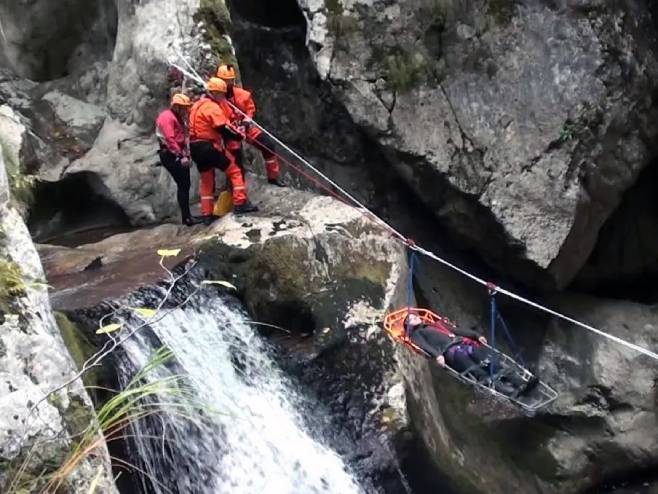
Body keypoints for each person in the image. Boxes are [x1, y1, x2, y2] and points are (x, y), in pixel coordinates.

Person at [404, 313, 537, 397]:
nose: (415, 317)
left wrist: (476, 335)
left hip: (464, 346)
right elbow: (424, 346)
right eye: (411, 319)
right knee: (478, 372)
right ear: (408, 326)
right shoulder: (416, 335)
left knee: (490, 362)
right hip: (451, 353)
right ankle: (510, 392)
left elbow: (457, 331)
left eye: (415, 315)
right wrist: (437, 355)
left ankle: (521, 383)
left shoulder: (436, 325)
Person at [189, 77, 258, 223]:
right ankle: (240, 203)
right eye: (220, 94)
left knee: (206, 180)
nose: (222, 97)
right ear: (214, 93)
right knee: (234, 170)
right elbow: (223, 127)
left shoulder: (197, 105)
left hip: (195, 148)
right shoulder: (212, 107)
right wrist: (238, 135)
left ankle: (207, 214)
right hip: (208, 146)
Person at [215, 64, 286, 187]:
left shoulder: (242, 95)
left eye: (229, 80)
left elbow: (250, 108)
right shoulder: (217, 100)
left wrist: (247, 120)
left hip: (245, 128)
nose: (228, 83)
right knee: (235, 162)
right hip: (230, 133)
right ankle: (237, 191)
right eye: (225, 81)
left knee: (268, 145)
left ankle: (273, 178)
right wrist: (233, 130)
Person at [155, 93, 199, 227]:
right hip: (170, 154)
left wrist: (186, 152)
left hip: (175, 153)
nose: (186, 110)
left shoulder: (177, 117)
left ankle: (187, 216)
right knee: (183, 184)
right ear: (177, 106)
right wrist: (181, 155)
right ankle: (186, 218)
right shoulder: (167, 117)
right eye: (184, 107)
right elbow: (170, 139)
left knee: (185, 184)